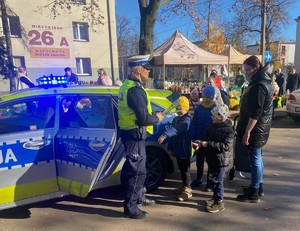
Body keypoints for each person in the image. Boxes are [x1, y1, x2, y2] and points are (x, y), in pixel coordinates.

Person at [118, 54, 164, 219]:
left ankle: (139, 197)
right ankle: (130, 206)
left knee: (139, 168)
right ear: (139, 70)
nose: (149, 72)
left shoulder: (127, 85)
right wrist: (157, 118)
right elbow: (144, 118)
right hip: (134, 135)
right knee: (137, 172)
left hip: (131, 134)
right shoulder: (135, 90)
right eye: (147, 69)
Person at [236, 55, 273, 203]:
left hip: (257, 129)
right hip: (261, 127)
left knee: (255, 158)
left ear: (256, 68)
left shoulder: (259, 85)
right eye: (245, 71)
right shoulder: (262, 81)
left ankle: (254, 191)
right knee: (258, 157)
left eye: (248, 70)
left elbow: (256, 111)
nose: (246, 73)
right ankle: (258, 186)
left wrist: (247, 132)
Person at [195, 104, 234, 213]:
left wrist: (208, 144)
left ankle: (219, 202)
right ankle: (215, 197)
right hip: (212, 158)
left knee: (218, 181)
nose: (211, 117)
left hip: (221, 160)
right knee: (212, 179)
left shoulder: (229, 130)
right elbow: (205, 137)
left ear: (220, 117)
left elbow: (226, 146)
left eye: (214, 116)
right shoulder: (211, 126)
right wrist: (199, 143)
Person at [158, 96, 192, 201]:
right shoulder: (177, 118)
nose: (177, 111)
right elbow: (174, 135)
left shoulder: (186, 121)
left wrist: (164, 135)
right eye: (176, 109)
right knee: (182, 169)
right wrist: (170, 146)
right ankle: (184, 186)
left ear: (186, 108)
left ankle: (188, 189)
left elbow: (175, 130)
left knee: (185, 169)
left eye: (179, 109)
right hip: (177, 147)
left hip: (184, 148)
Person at [190, 85, 216, 191]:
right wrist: (193, 136)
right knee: (199, 161)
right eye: (204, 96)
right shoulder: (199, 108)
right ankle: (199, 178)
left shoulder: (215, 108)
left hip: (209, 141)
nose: (205, 99)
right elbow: (194, 123)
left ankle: (210, 183)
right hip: (199, 139)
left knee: (210, 162)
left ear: (212, 97)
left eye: (208, 97)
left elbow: (216, 125)